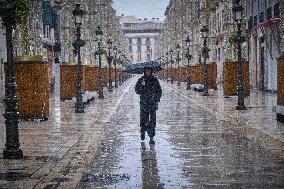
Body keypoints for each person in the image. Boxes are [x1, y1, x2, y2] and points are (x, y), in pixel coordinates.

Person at [135, 67, 162, 144]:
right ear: (144, 71)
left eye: (149, 70)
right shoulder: (141, 80)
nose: (148, 72)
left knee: (152, 121)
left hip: (152, 103)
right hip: (144, 103)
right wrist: (142, 86)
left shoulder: (155, 80)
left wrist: (156, 99)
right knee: (144, 119)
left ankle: (151, 137)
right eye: (146, 70)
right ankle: (143, 131)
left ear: (151, 71)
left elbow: (159, 91)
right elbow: (137, 91)